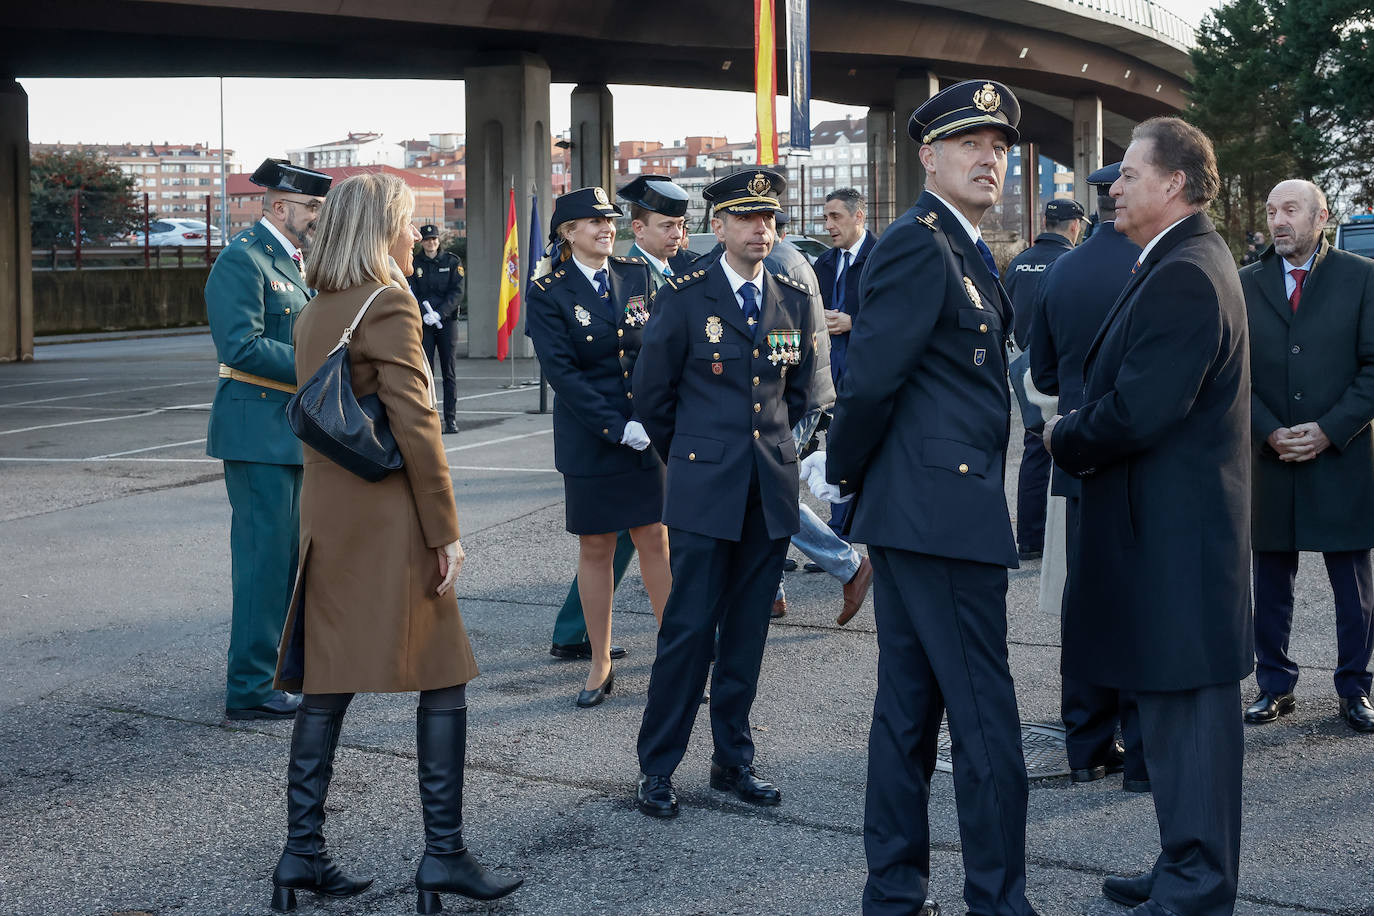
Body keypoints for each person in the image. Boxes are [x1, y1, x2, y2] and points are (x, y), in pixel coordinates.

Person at [269, 172, 520, 914]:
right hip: (388, 519)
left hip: (329, 519)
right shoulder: (390, 301)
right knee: (442, 673)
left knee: (326, 683)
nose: (417, 236)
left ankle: (300, 855)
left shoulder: (318, 308)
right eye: (409, 224)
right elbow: (417, 424)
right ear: (382, 230)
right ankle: (443, 856)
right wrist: (445, 530)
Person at [822, 79, 1038, 916]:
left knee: (907, 713)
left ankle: (895, 892)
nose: (990, 159)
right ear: (928, 156)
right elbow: (871, 383)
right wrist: (850, 476)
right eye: (970, 144)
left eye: (1000, 148)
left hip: (926, 512)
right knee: (984, 721)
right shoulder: (921, 243)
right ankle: (997, 900)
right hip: (941, 517)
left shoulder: (961, 244)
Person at [1044, 117, 1251, 916]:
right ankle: (1181, 864)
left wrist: (1064, 436)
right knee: (1166, 719)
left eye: (1129, 173)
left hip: (1179, 546)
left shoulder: (1187, 271)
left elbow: (1140, 410)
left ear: (1173, 184)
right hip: (1165, 539)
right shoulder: (1175, 257)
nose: (1114, 186)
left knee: (1191, 721)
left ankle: (1198, 887)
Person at [632, 167, 816, 819]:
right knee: (687, 633)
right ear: (719, 226)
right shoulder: (685, 294)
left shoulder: (791, 296)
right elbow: (652, 400)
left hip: (767, 488)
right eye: (747, 218)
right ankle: (658, 767)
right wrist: (693, 459)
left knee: (745, 635)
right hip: (705, 491)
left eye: (769, 219)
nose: (761, 229)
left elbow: (799, 394)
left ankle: (732, 760)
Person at [538, 175, 695, 666]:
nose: (606, 228)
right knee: (598, 546)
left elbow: (658, 350)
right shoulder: (549, 292)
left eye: (608, 220)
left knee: (655, 538)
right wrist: (616, 426)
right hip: (592, 436)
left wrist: (650, 416)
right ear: (568, 232)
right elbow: (563, 375)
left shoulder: (635, 275)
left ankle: (677, 654)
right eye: (594, 222)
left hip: (644, 430)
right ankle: (600, 661)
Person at [1026, 163, 1147, 790]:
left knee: (1085, 600)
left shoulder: (1062, 270)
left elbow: (1042, 374)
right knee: (1142, 600)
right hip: (1142, 460)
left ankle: (1086, 740)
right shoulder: (1156, 265)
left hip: (1077, 455)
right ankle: (1138, 728)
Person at [1240, 179, 1374, 734]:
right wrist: (1268, 431)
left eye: (1290, 210)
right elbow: (1232, 371)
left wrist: (1330, 428)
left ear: (1322, 216)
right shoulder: (1243, 282)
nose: (1278, 220)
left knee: (1354, 583)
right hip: (1270, 457)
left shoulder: (1361, 278)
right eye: (1271, 210)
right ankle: (1274, 682)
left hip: (1342, 453)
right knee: (1270, 578)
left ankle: (1356, 687)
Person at [206, 157, 331, 721]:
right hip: (255, 430)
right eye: (310, 208)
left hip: (287, 432)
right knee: (262, 564)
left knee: (287, 563)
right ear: (279, 206)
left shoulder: (293, 260)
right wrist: (324, 365)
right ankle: (250, 688)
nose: (315, 217)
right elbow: (241, 346)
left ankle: (275, 675)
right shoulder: (243, 258)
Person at [1004, 197, 1085, 562]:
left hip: (1027, 368)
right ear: (1074, 226)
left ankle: (1030, 538)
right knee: (1073, 445)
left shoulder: (1019, 263)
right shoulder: (1071, 263)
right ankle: (1069, 539)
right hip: (1064, 369)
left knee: (1035, 450)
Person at [813, 187, 877, 539]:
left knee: (866, 444)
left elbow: (900, 316)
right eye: (826, 218)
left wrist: (855, 322)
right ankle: (840, 529)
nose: (829, 225)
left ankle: (866, 524)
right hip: (831, 368)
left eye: (835, 217)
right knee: (837, 443)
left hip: (866, 367)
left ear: (859, 217)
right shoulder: (823, 262)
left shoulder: (882, 257)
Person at [407, 224, 464, 434]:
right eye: (427, 239)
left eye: (434, 239)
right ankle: (429, 417)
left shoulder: (452, 262)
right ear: (422, 242)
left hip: (446, 322)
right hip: (425, 324)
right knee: (425, 372)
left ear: (439, 241)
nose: (431, 243)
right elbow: (411, 290)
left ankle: (451, 419)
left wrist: (440, 313)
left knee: (448, 373)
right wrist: (423, 314)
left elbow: (457, 292)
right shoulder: (415, 263)